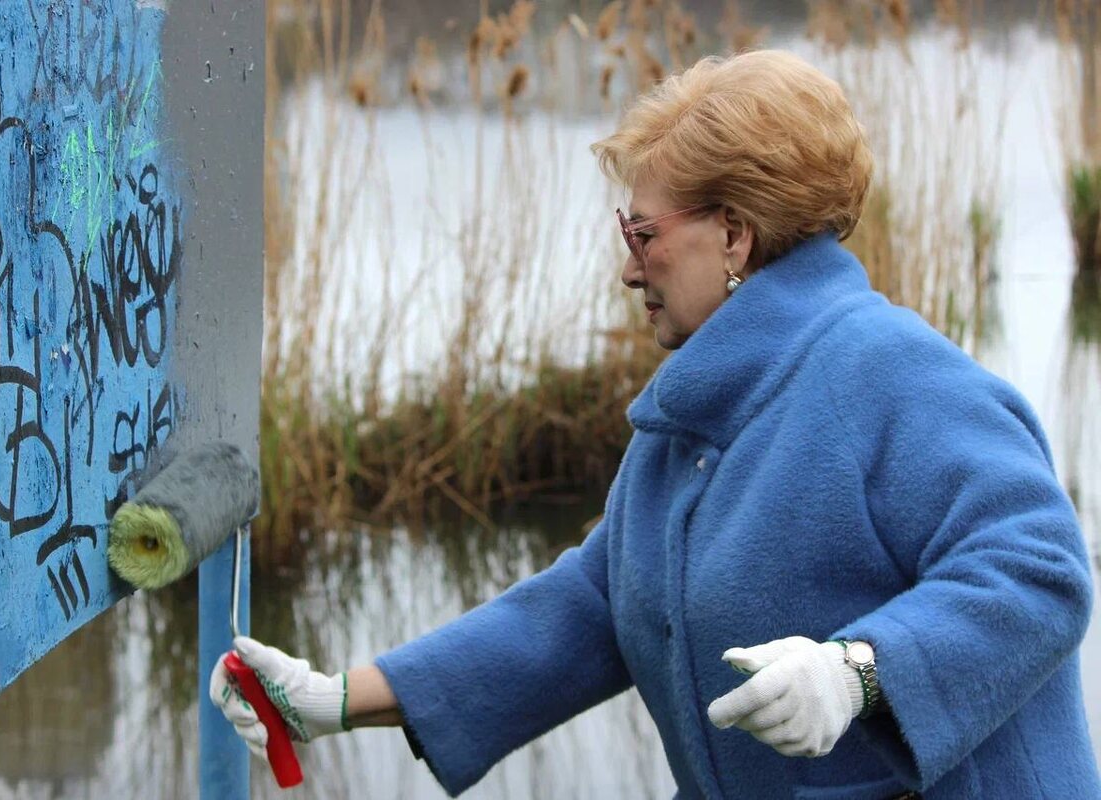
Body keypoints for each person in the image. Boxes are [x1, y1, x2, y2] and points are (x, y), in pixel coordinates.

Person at [210, 49, 1101, 799]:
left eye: (644, 236)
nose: (629, 270)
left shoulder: (891, 374)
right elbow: (595, 603)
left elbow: (1039, 570)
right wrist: (336, 699)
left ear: (735, 236)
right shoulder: (693, 419)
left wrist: (858, 672)